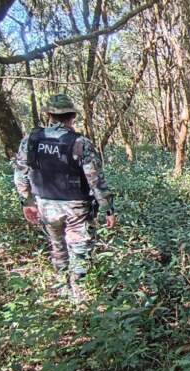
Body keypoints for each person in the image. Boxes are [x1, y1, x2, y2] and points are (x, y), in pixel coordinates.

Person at [14, 93, 116, 301]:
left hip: (45, 205)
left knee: (58, 246)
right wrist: (108, 209)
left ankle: (64, 291)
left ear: (49, 115)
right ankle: (80, 297)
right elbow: (95, 180)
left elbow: (20, 173)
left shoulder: (31, 140)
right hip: (76, 206)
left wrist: (27, 202)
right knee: (79, 250)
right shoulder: (80, 143)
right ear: (72, 116)